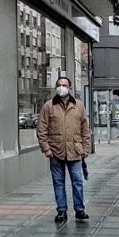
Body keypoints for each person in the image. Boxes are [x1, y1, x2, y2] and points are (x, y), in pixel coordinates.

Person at [37, 74, 92, 224]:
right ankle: (61, 211)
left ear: (70, 88)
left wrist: (86, 148)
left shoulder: (78, 105)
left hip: (75, 150)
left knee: (77, 181)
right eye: (59, 85)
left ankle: (79, 210)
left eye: (64, 85)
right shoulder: (49, 106)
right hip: (56, 151)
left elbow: (85, 129)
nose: (62, 88)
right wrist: (46, 149)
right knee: (58, 182)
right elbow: (41, 129)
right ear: (56, 87)